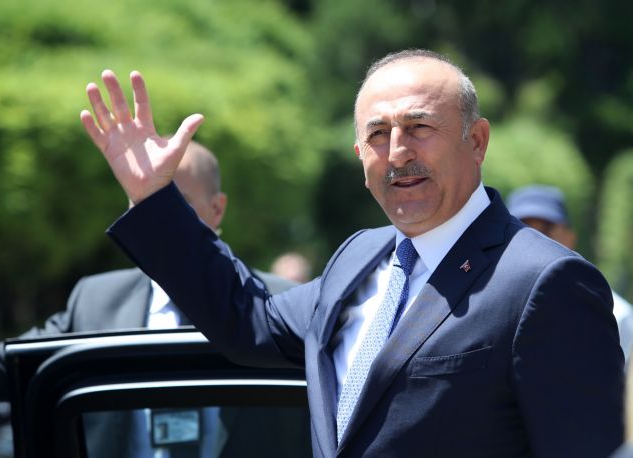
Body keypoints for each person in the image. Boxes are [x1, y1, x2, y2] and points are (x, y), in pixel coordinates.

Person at [81, 49, 624, 457]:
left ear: (476, 141)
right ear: (360, 155)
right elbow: (248, 319)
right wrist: (154, 199)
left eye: (419, 127)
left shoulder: (545, 281)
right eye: (378, 134)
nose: (398, 152)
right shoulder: (360, 256)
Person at [0, 140, 300, 457]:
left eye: (175, 205)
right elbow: (14, 365)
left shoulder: (277, 302)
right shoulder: (97, 300)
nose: (157, 218)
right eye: (143, 202)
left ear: (217, 208)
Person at [507, 184, 633, 362]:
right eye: (522, 229)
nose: (534, 240)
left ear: (570, 237)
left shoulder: (616, 315)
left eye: (546, 230)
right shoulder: (486, 309)